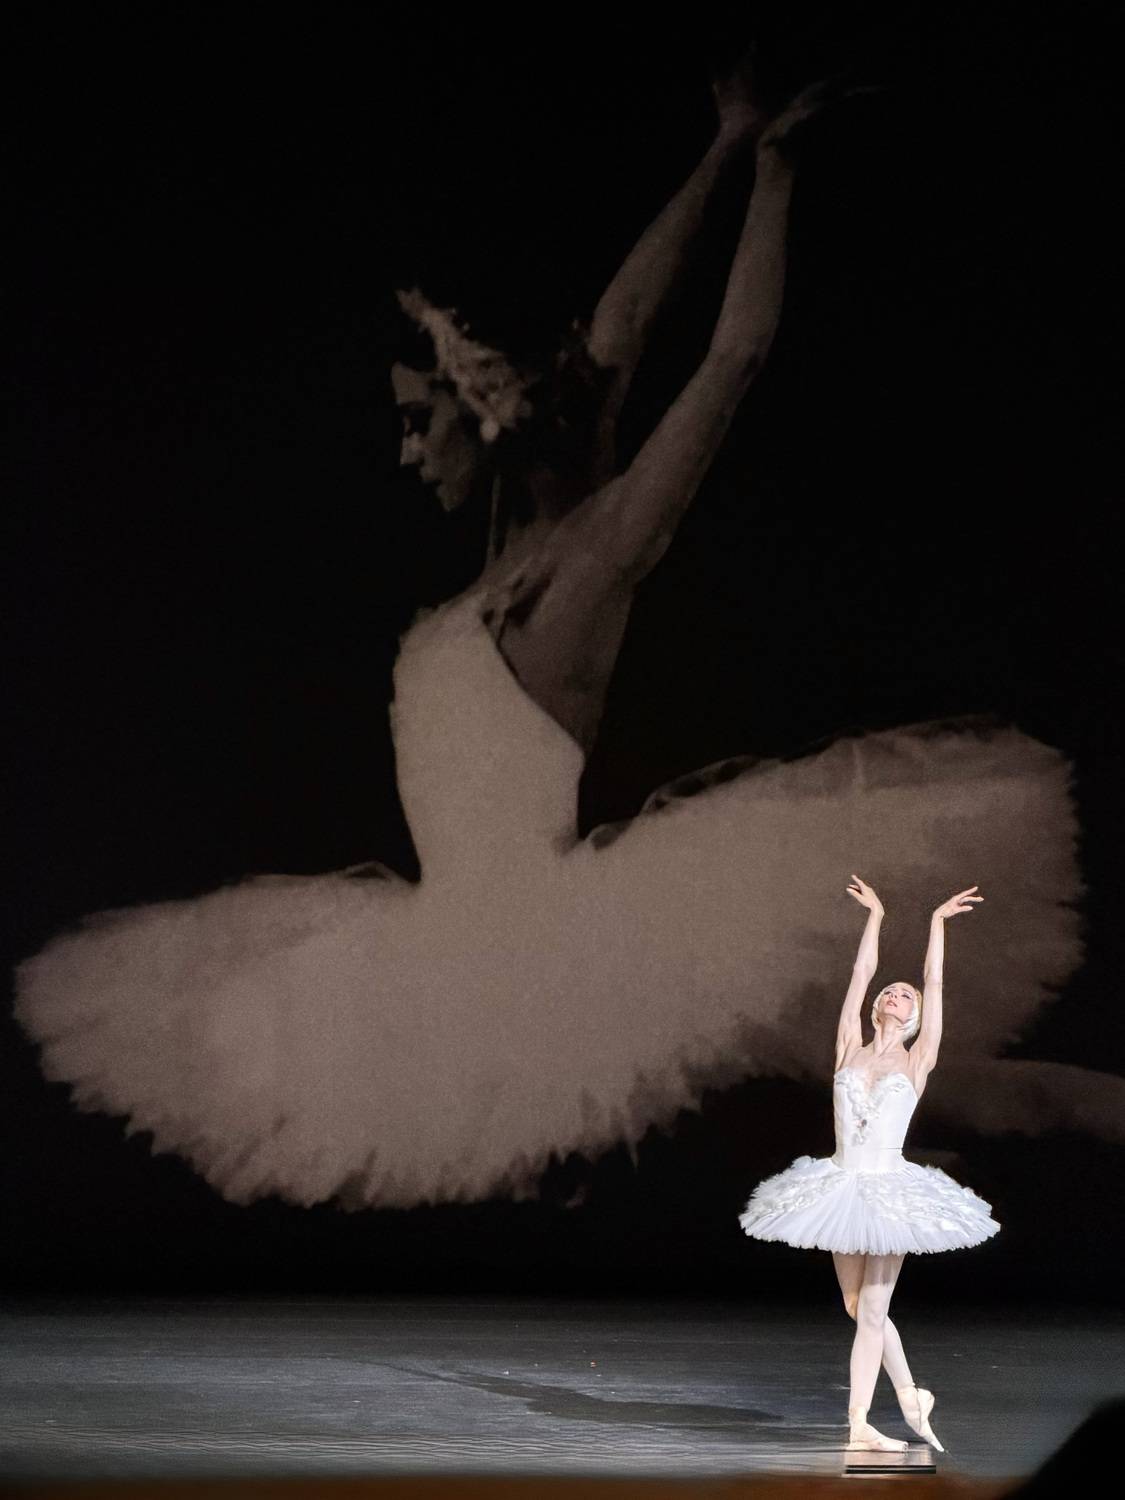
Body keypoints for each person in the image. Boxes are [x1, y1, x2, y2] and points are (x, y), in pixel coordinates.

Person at [12, 57, 1094, 1214]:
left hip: (555, 961)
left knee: (939, 1104)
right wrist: (724, 143)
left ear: (486, 411)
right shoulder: (504, 562)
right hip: (453, 946)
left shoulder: (592, 559)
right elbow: (617, 327)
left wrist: (776, 174)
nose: (407, 450)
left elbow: (731, 357)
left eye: (419, 421)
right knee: (880, 1113)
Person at [738, 876, 997, 1452]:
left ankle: (859, 1424)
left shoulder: (918, 1059)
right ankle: (911, 1395)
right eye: (890, 992)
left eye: (905, 995)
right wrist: (874, 916)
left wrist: (936, 922)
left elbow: (935, 980)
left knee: (874, 1310)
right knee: (857, 1307)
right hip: (840, 1185)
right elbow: (858, 977)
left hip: (889, 1192)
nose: (895, 994)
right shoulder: (848, 1049)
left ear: (914, 1015)